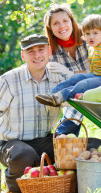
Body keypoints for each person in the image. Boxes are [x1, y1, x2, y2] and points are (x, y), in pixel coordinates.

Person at [0, 34, 64, 193]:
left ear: (49, 51)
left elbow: (72, 104)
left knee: (72, 150)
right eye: (31, 51)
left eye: (41, 50)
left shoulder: (57, 79)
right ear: (23, 55)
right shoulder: (9, 80)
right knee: (24, 155)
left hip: (44, 141)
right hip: (12, 145)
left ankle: (52, 184)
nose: (37, 55)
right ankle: (15, 190)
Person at [35, 14, 101, 107]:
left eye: (95, 33)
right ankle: (51, 94)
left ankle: (60, 97)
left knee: (84, 84)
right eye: (87, 34)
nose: (91, 37)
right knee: (76, 77)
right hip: (98, 76)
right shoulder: (93, 48)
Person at [36, 4, 90, 137]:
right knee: (76, 100)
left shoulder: (88, 40)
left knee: (77, 99)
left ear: (72, 21)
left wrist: (69, 73)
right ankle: (63, 141)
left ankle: (61, 135)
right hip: (75, 98)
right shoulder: (51, 53)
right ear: (50, 28)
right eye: (56, 23)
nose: (62, 26)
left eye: (65, 21)